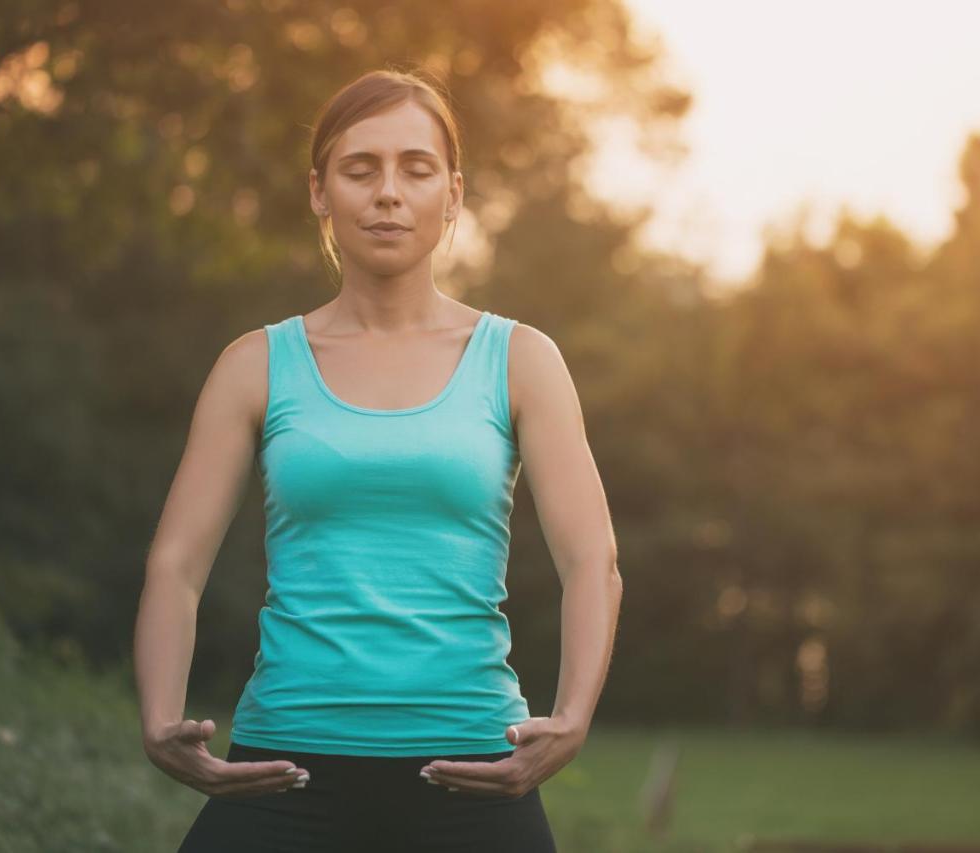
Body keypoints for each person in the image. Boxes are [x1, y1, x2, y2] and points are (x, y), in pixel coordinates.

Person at [133, 66, 622, 852]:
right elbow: (176, 564)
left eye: (416, 169)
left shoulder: (520, 359)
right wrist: (160, 715)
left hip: (472, 765)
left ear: (453, 194)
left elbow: (591, 556)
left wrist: (570, 718)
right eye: (360, 169)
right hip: (285, 764)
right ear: (321, 192)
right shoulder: (254, 364)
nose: (388, 192)